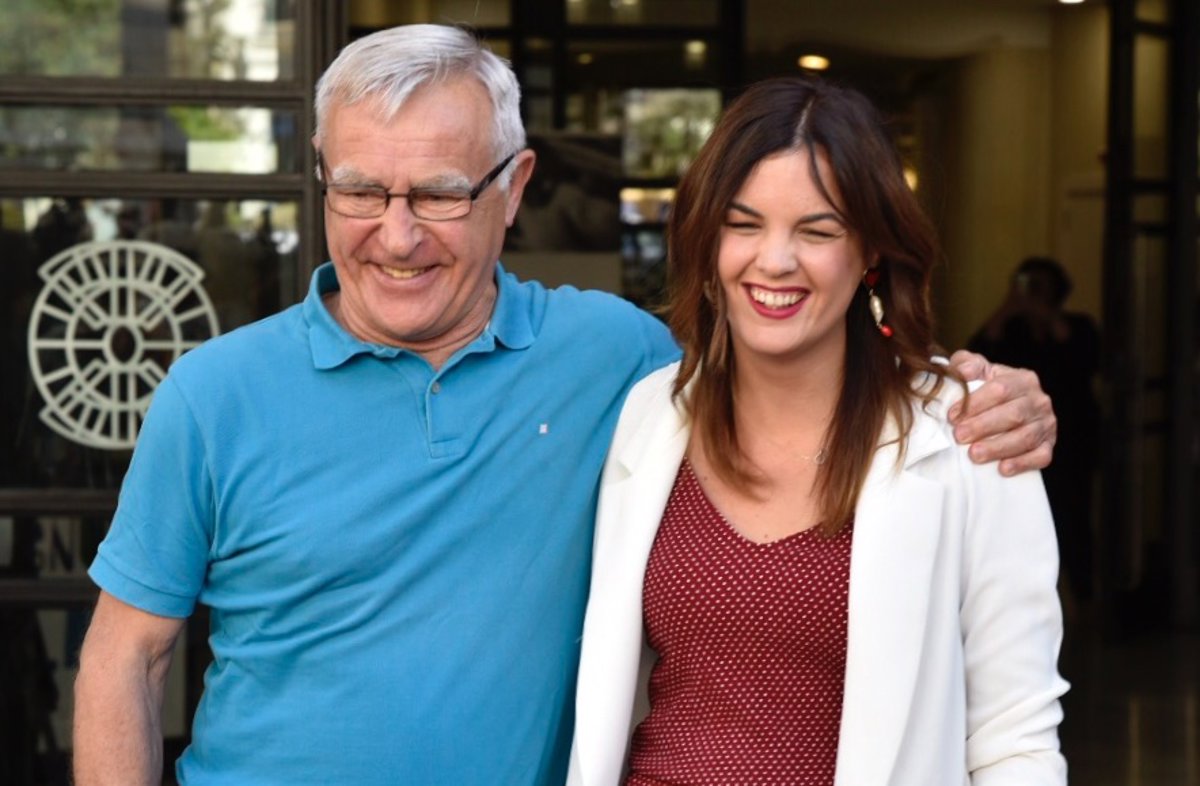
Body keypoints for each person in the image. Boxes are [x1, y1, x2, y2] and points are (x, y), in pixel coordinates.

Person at [73, 26, 1057, 786]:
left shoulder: (621, 367)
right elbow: (126, 661)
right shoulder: (215, 394)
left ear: (515, 188)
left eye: (440, 194)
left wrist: (976, 395)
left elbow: (785, 345)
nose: (397, 235)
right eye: (362, 191)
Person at [568, 77, 1068, 785]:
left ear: (871, 251)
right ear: (707, 240)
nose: (775, 260)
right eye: (743, 225)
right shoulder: (651, 413)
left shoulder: (969, 433)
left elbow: (1015, 737)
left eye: (818, 231)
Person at [970, 256, 1100, 605]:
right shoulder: (1012, 329)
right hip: (1018, 447)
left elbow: (1088, 361)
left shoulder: (1078, 325)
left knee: (1074, 520)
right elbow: (976, 361)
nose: (1033, 293)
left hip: (1073, 445)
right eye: (1028, 285)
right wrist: (1008, 307)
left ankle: (1085, 599)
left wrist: (1046, 314)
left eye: (1040, 286)